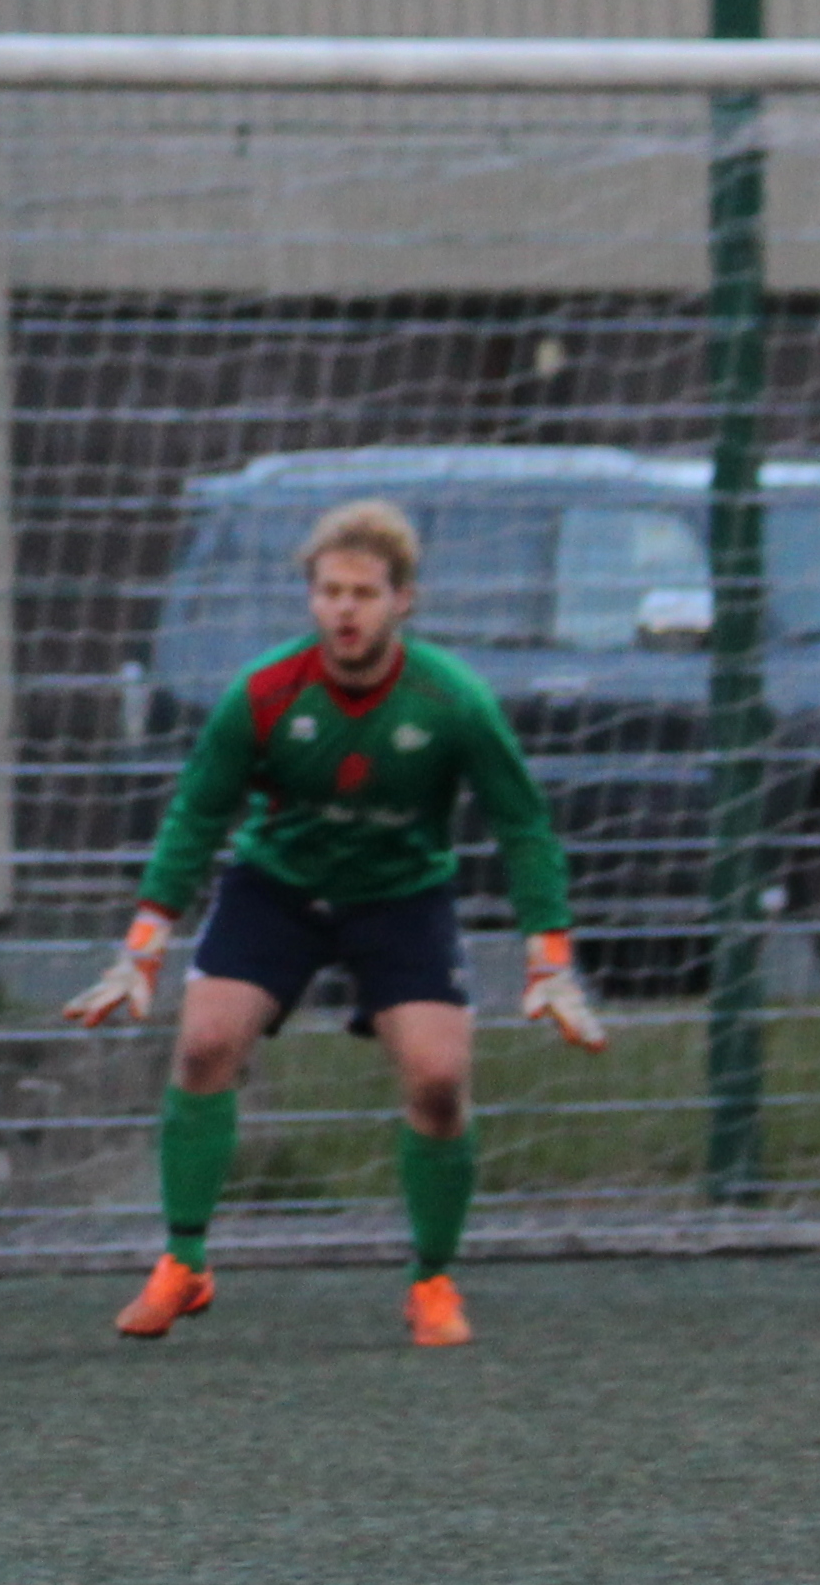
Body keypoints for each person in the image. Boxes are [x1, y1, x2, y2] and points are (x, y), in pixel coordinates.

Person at [62, 498, 608, 1346]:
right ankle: (184, 1262)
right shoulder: (264, 691)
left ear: (402, 601)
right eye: (329, 591)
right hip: (276, 888)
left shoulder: (452, 699)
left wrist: (550, 961)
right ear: (310, 597)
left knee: (437, 1081)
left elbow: (523, 825)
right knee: (203, 1045)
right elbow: (197, 813)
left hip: (401, 898)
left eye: (363, 592)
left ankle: (431, 1280)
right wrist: (141, 947)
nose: (344, 610)